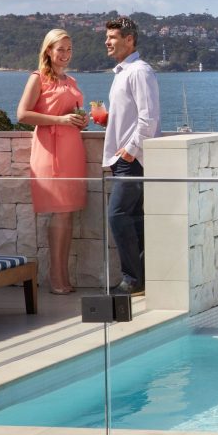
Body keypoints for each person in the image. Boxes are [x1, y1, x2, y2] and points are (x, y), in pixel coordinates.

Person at [17, 29, 88, 295]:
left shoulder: (71, 80)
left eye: (69, 50)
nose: (66, 55)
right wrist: (60, 121)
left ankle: (62, 275)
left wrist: (81, 120)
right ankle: (55, 276)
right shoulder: (38, 78)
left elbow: (72, 113)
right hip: (51, 151)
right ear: (48, 51)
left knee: (67, 213)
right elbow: (22, 114)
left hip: (72, 149)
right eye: (61, 50)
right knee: (60, 212)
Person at [100, 16, 161, 295]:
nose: (107, 42)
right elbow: (132, 115)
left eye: (112, 37)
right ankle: (140, 279)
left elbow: (148, 119)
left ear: (129, 40)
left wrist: (129, 151)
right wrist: (108, 121)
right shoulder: (123, 72)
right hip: (124, 158)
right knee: (134, 219)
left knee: (118, 215)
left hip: (132, 160)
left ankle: (132, 279)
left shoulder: (139, 71)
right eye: (107, 37)